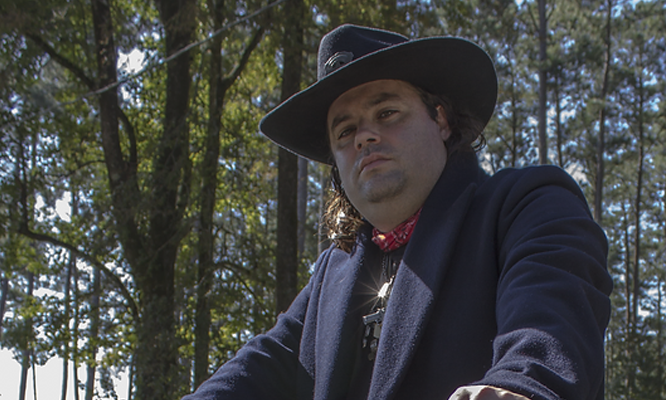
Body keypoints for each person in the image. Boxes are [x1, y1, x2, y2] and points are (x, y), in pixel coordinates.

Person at [184, 24, 613, 400]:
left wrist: (519, 385)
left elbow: (552, 315)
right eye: (345, 131)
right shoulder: (334, 271)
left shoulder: (525, 205)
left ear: (441, 120)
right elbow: (265, 363)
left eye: (387, 113)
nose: (364, 137)